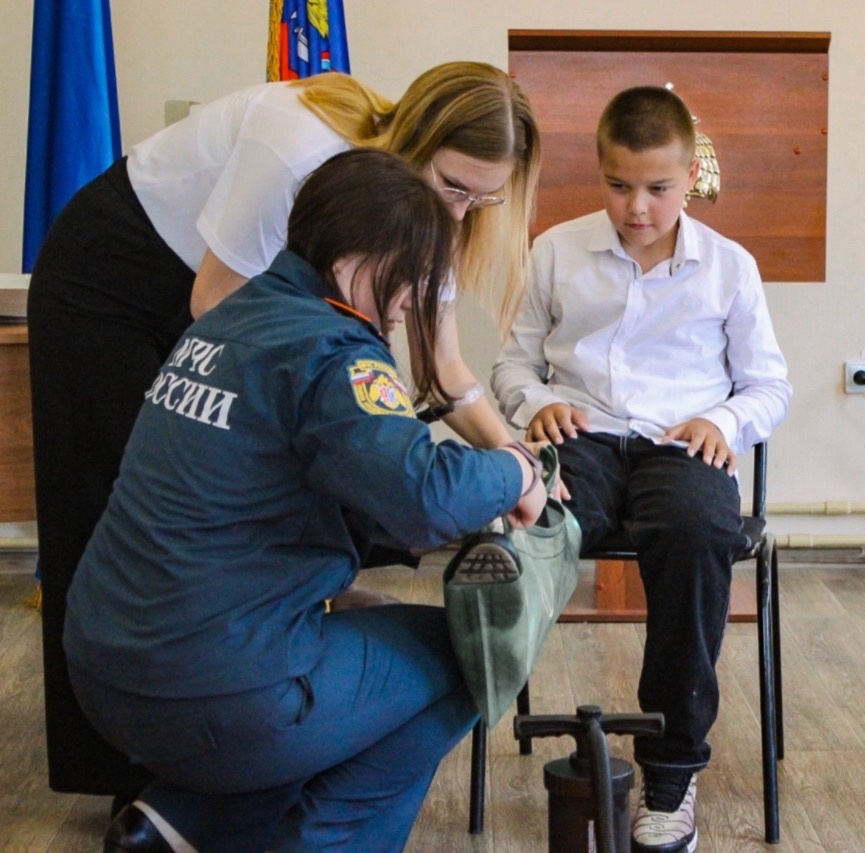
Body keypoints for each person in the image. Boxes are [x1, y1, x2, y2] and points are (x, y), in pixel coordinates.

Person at [26, 61, 539, 805]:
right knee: (120, 511)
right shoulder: (302, 148)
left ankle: (188, 795)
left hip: (217, 304)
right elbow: (222, 307)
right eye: (455, 188)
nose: (462, 213)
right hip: (111, 287)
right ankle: (132, 775)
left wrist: (516, 458)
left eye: (483, 200)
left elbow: (446, 364)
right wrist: (393, 429)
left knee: (255, 494)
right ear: (418, 142)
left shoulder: (407, 216)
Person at [491, 85, 791, 852]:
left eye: (658, 188)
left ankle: (670, 773)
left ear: (691, 175)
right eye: (619, 186)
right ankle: (491, 704)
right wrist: (532, 404)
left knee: (697, 533)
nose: (638, 208)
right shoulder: (555, 250)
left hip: (682, 446)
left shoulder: (729, 267)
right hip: (582, 436)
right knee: (533, 520)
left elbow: (769, 385)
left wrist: (723, 420)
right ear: (600, 171)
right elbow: (513, 363)